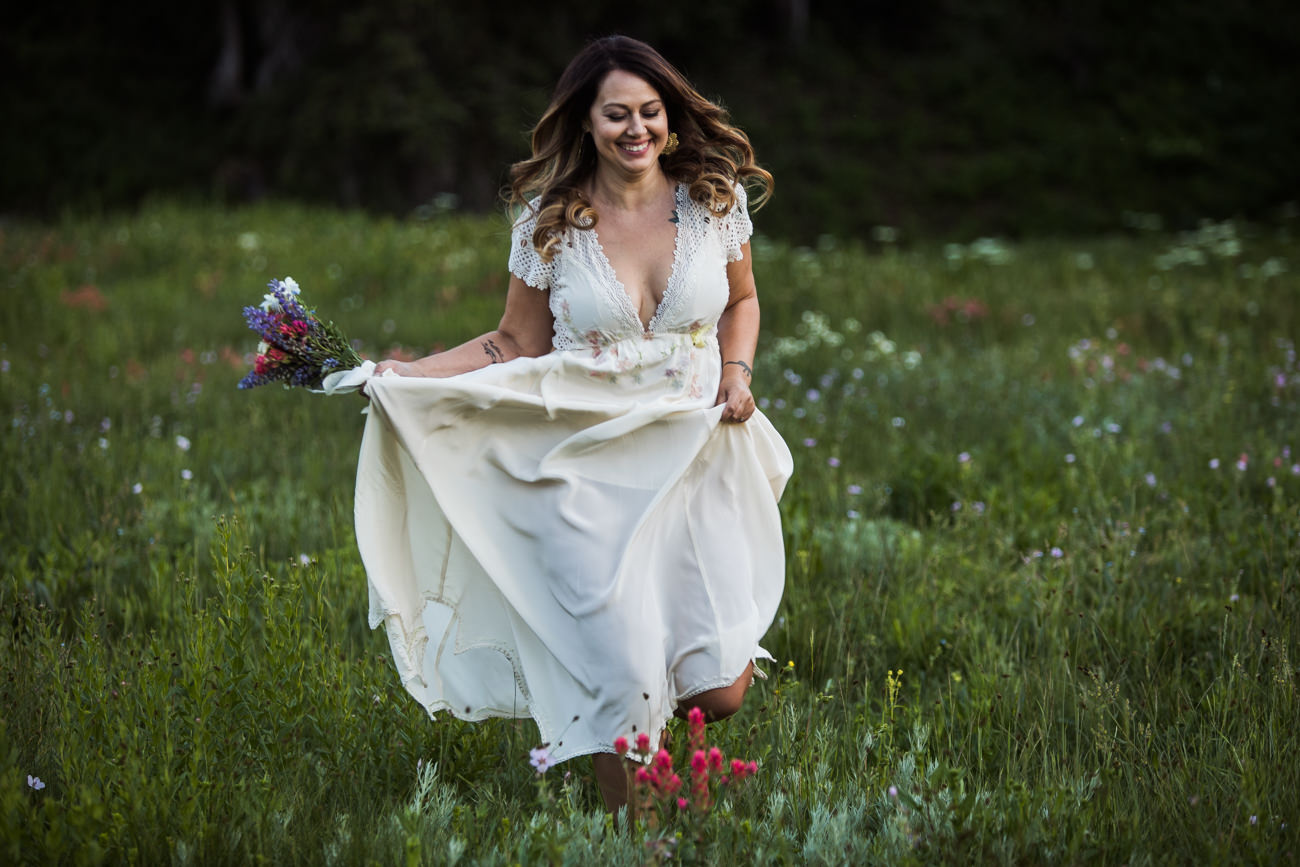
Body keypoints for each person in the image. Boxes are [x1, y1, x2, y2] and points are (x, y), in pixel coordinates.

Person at [357, 35, 792, 811]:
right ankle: (643, 841)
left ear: (670, 116)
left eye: (651, 112)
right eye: (617, 113)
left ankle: (659, 770)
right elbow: (514, 340)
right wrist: (407, 374)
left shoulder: (712, 200)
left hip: (699, 456)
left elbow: (746, 300)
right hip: (585, 471)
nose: (637, 129)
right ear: (585, 123)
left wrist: (736, 371)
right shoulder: (550, 221)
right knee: (623, 678)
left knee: (719, 687)